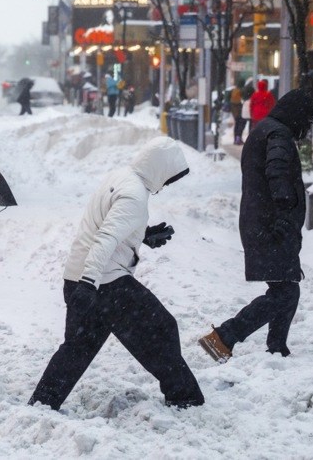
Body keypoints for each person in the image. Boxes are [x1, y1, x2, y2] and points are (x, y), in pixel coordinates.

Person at [28, 137, 204, 410]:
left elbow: (108, 223)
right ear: (159, 169)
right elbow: (106, 238)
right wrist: (89, 284)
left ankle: (42, 403)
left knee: (78, 347)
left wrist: (142, 235)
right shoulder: (134, 195)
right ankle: (185, 397)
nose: (167, 184)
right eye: (169, 178)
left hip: (77, 278)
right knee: (162, 327)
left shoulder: (122, 177)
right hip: (104, 284)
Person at [198, 89, 313, 362]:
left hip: (263, 223)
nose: (308, 129)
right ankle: (224, 337)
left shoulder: (267, 129)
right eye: (308, 122)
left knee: (286, 287)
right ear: (297, 116)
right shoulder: (278, 135)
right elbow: (277, 172)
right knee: (285, 291)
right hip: (271, 226)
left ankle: (276, 348)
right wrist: (284, 209)